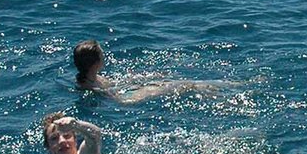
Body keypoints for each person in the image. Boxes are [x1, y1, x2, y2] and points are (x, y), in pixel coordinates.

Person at [72, 39, 223, 105]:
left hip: (123, 94)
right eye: (102, 56)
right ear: (95, 64)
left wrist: (142, 78)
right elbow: (113, 98)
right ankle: (212, 90)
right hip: (126, 100)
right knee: (177, 86)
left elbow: (115, 85)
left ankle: (210, 88)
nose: (105, 58)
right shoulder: (89, 86)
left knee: (164, 82)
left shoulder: (91, 77)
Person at [42, 114, 115, 154]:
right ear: (48, 147)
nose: (62, 141)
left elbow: (96, 134)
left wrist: (75, 125)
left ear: (75, 140)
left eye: (67, 135)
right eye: (54, 138)